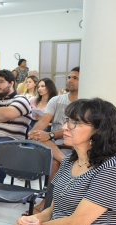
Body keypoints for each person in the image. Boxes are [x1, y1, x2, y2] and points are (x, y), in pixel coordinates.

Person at [27, 67, 80, 214]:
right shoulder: (57, 100)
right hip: (55, 145)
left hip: (75, 142)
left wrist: (49, 135)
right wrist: (36, 132)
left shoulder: (84, 103)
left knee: (54, 160)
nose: (70, 80)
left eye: (75, 78)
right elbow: (44, 121)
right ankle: (65, 162)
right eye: (69, 77)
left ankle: (47, 202)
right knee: (41, 139)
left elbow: (76, 129)